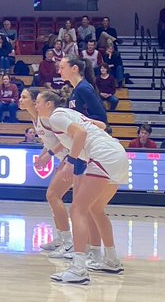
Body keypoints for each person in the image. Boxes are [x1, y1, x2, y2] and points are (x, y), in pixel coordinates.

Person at [24, 87, 128, 284]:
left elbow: (80, 133)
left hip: (102, 156)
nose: (36, 105)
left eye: (38, 101)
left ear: (48, 104)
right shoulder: (69, 114)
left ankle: (79, 268)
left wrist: (71, 162)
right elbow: (100, 125)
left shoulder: (56, 117)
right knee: (95, 209)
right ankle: (112, 260)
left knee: (78, 209)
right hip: (118, 155)